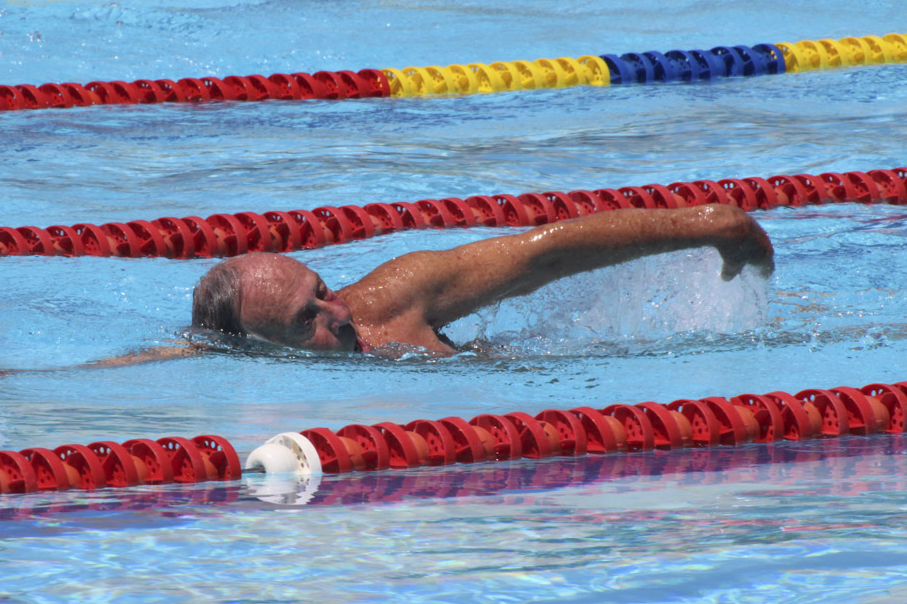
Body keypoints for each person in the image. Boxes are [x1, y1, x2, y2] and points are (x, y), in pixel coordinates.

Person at [189, 204, 774, 357]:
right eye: (305, 322)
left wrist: (703, 225)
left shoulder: (398, 295)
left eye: (323, 290)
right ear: (260, 348)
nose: (337, 315)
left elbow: (546, 254)